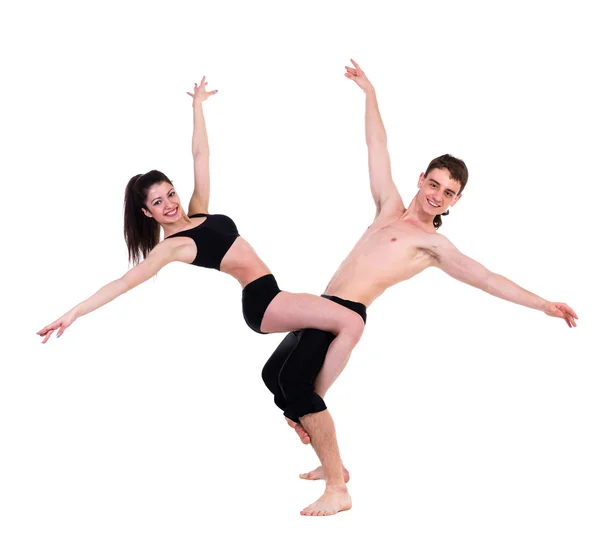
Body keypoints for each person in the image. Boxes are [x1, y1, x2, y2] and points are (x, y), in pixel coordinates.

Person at [262, 60, 578, 516]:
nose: (437, 195)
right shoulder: (388, 207)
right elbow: (377, 145)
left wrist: (543, 304)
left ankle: (337, 486)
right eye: (434, 183)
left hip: (344, 315)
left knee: (297, 385)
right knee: (274, 377)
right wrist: (369, 93)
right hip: (321, 305)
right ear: (421, 179)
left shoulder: (432, 245)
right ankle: (332, 463)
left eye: (448, 193)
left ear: (456, 200)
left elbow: (487, 278)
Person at [36, 76, 366, 510]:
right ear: (146, 212)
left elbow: (201, 156)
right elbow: (122, 283)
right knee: (350, 321)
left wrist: (197, 107)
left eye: (169, 193)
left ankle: (323, 449)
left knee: (285, 373)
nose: (169, 204)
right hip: (264, 302)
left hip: (273, 295)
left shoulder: (199, 212)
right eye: (158, 202)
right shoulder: (172, 247)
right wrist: (74, 312)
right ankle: (327, 460)